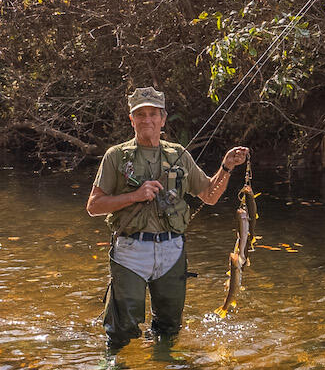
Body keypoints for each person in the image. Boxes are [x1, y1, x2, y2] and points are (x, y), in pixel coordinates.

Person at [87, 86, 249, 354]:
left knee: (170, 325)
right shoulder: (116, 156)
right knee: (122, 327)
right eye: (141, 114)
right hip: (130, 252)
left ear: (163, 119)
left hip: (172, 251)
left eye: (153, 114)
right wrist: (135, 196)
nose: (147, 120)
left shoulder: (179, 154)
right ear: (132, 119)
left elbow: (209, 195)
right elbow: (93, 206)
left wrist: (227, 166)